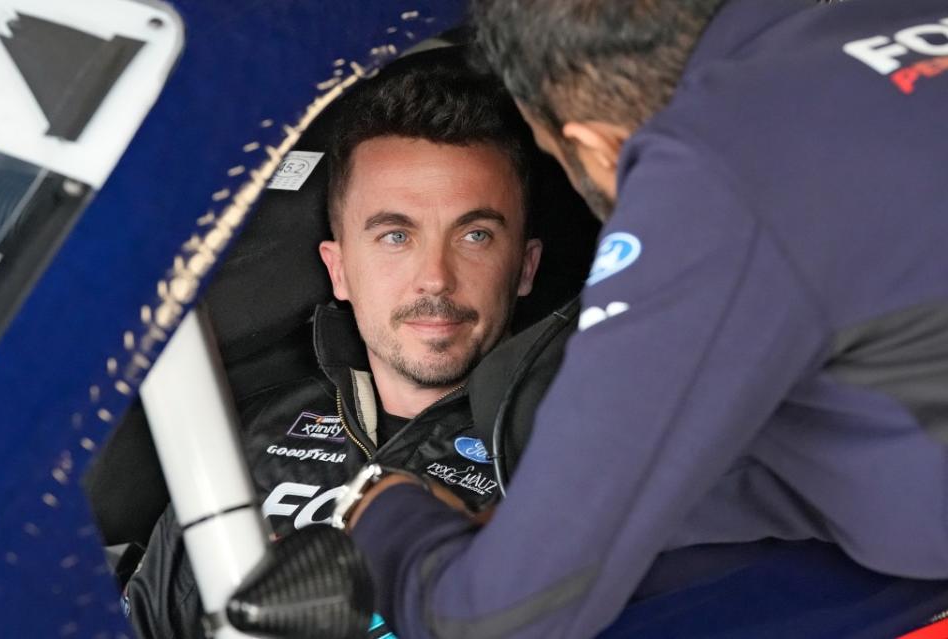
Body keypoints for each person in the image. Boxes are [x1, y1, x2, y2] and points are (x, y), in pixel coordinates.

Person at [341, 1, 948, 637]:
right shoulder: (890, 18)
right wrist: (553, 526)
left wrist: (382, 516)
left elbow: (496, 621)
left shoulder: (714, 172)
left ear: (598, 148)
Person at [124, 52, 541, 638]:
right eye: (396, 235)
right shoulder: (241, 438)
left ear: (524, 267)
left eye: (474, 235)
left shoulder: (570, 452)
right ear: (338, 268)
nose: (435, 278)